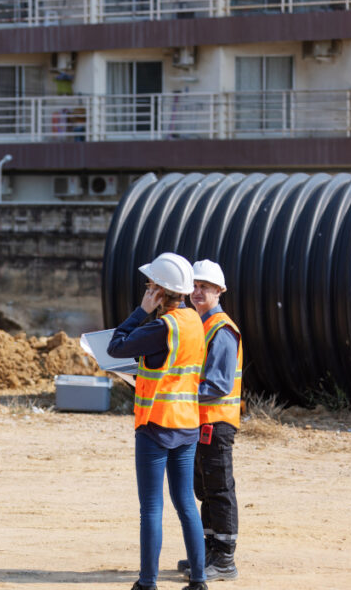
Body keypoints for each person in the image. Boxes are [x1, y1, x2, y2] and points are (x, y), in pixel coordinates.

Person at [107, 252, 208, 590]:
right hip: (187, 424)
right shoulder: (194, 321)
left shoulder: (160, 327)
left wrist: (141, 311)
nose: (147, 288)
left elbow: (115, 346)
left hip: (156, 425)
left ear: (162, 291)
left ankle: (148, 582)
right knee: (186, 505)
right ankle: (199, 579)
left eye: (151, 284)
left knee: (151, 507)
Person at [176, 259, 242, 581]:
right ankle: (209, 551)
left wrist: (179, 391)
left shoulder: (221, 329)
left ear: (219, 291)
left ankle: (225, 560)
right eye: (195, 286)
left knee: (219, 488)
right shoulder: (199, 325)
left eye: (205, 287)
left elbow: (217, 384)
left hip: (217, 422)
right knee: (203, 488)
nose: (198, 292)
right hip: (199, 420)